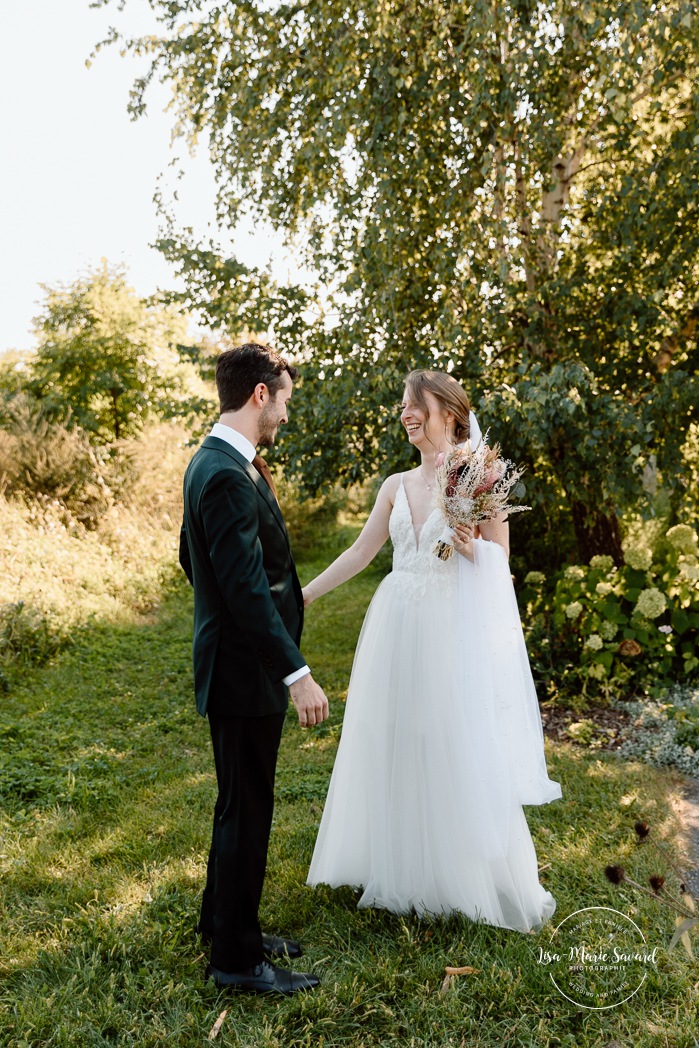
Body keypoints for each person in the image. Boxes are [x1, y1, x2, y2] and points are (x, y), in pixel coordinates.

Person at [304, 369, 561, 931]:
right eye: (401, 404)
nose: (404, 412)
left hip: (452, 628)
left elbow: (500, 562)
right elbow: (363, 550)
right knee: (397, 735)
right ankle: (402, 867)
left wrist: (472, 550)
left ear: (446, 408)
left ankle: (461, 874)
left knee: (451, 736)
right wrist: (304, 595)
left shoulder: (480, 475)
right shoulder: (395, 485)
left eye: (412, 402)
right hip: (398, 621)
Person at [179, 342, 329, 995]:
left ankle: (224, 921)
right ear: (260, 394)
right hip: (244, 675)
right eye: (285, 400)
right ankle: (238, 961)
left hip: (236, 666)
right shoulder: (221, 472)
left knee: (236, 802)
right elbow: (241, 589)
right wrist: (294, 672)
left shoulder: (216, 462)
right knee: (248, 810)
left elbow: (194, 560)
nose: (286, 416)